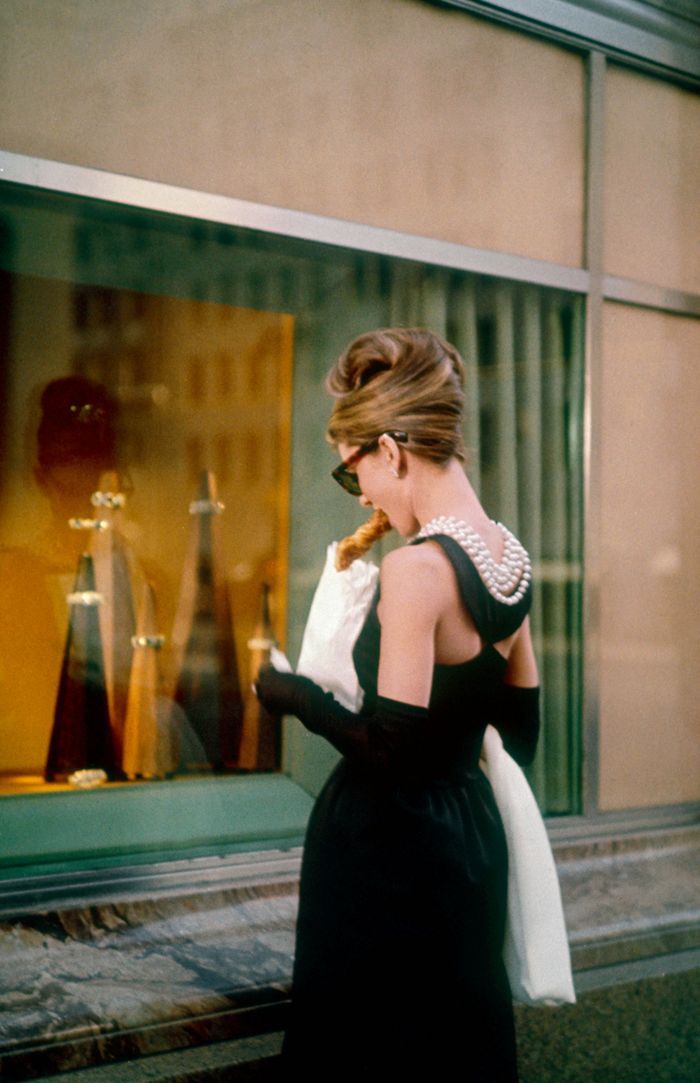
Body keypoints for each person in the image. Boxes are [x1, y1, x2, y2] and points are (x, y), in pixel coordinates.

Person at [256, 328, 540, 1080]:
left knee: (369, 1051)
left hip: (388, 858)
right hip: (470, 846)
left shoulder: (415, 571)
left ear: (390, 449)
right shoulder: (509, 557)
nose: (366, 497)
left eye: (355, 476)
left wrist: (297, 697)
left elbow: (392, 753)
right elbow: (522, 725)